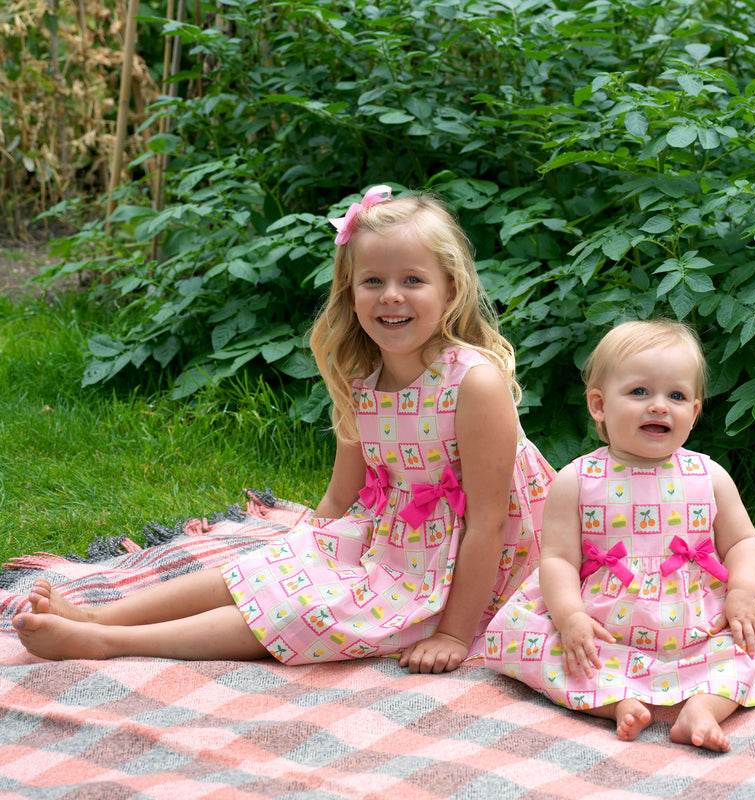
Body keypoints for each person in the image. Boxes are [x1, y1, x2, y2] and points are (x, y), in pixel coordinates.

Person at [13, 184, 554, 673]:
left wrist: (455, 634)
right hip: (396, 540)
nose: (391, 295)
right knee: (262, 571)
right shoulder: (364, 380)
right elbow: (341, 495)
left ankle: (106, 643)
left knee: (305, 611)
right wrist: (298, 556)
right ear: (350, 292)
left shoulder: (473, 383)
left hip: (474, 562)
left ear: (450, 290)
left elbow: (490, 522)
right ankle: (102, 615)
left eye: (413, 280)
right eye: (373, 281)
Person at [483, 319, 755, 751]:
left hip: (696, 621)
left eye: (676, 396)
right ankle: (617, 702)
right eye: (640, 392)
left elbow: (742, 542)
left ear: (694, 412)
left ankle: (704, 706)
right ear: (599, 405)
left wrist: (741, 592)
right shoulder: (577, 480)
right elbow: (558, 560)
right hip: (606, 625)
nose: (659, 406)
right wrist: (570, 617)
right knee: (529, 636)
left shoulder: (708, 475)